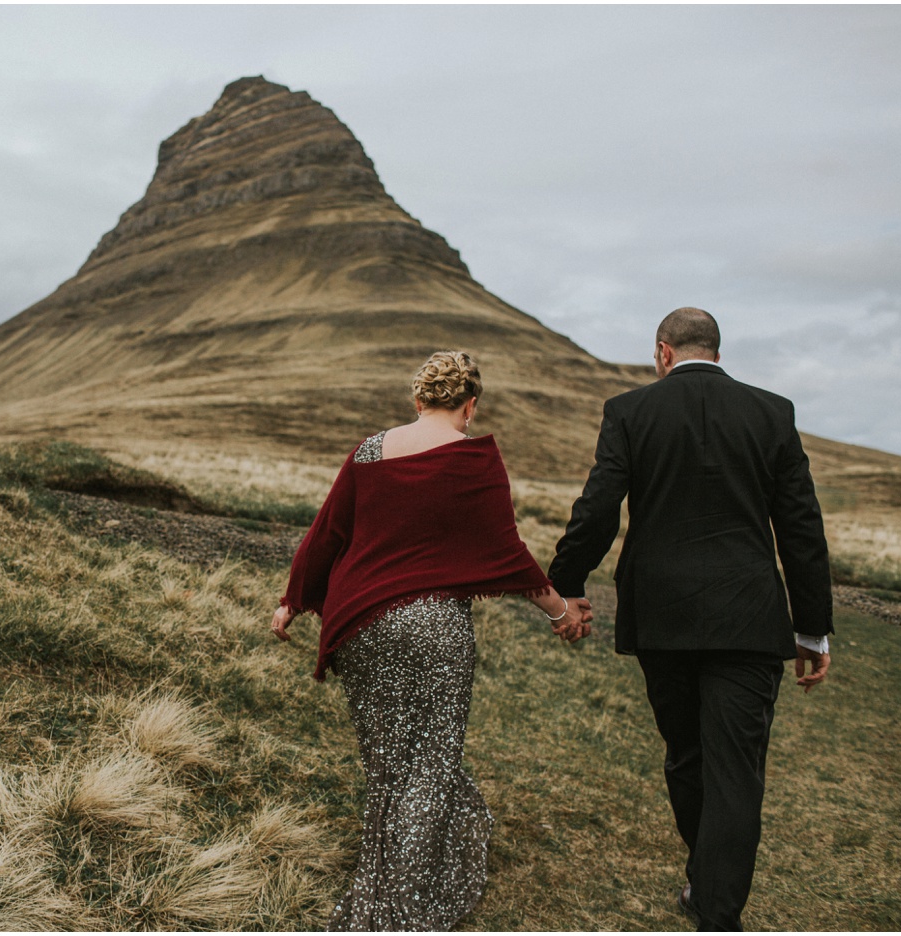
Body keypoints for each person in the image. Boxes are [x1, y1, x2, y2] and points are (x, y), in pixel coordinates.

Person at [270, 350, 592, 931]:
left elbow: (328, 532)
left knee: (389, 766)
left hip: (361, 624)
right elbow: (506, 551)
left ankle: (383, 896)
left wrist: (292, 600)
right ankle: (400, 914)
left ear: (418, 401)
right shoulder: (475, 458)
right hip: (433, 629)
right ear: (470, 406)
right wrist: (560, 611)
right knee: (429, 766)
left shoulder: (370, 451)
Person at [546, 308, 833, 931]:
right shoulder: (772, 413)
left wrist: (564, 585)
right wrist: (811, 628)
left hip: (663, 614)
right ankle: (715, 904)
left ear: (663, 353)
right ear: (717, 354)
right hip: (751, 618)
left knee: (685, 754)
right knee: (737, 769)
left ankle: (709, 896)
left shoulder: (630, 411)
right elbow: (801, 527)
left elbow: (598, 508)